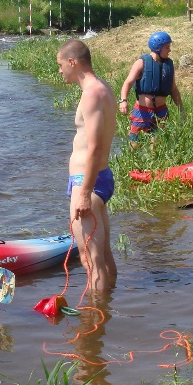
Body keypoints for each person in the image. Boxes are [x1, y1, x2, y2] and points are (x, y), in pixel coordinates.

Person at [56, 39, 118, 290]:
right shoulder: (103, 88)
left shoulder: (92, 94)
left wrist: (82, 194)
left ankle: (95, 324)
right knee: (103, 255)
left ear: (73, 62)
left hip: (87, 183)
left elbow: (94, 147)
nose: (60, 70)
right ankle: (108, 311)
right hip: (99, 178)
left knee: (90, 260)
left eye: (61, 65)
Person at [118, 31, 184, 145]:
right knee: (135, 144)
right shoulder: (141, 62)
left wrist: (181, 109)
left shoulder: (168, 65)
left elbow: (173, 89)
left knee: (157, 144)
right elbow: (127, 82)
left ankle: (155, 161)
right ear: (157, 48)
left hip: (161, 111)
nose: (170, 50)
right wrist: (123, 101)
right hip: (142, 111)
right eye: (167, 47)